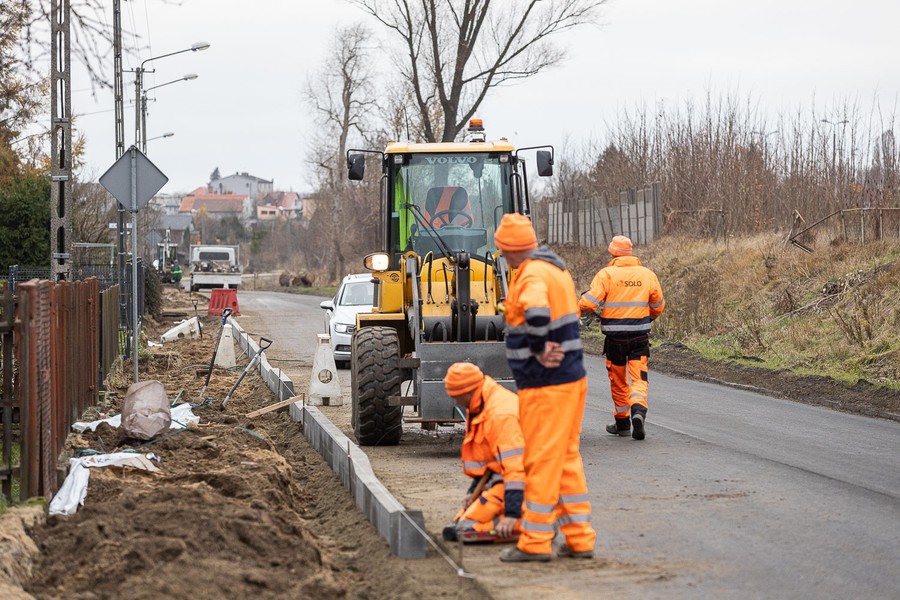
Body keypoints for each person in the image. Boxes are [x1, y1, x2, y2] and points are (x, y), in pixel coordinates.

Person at [493, 213, 596, 562]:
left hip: (546, 385)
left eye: (504, 251)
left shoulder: (532, 273)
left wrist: (537, 348)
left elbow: (537, 311)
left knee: (539, 460)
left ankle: (535, 542)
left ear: (511, 249)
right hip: (570, 379)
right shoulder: (556, 269)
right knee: (566, 458)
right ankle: (579, 538)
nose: (504, 257)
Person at [578, 235, 665, 441]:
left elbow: (589, 303)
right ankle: (638, 411)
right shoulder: (647, 274)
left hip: (615, 339)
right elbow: (658, 305)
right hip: (639, 338)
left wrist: (581, 306)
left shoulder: (606, 274)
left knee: (618, 381)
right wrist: (647, 316)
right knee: (639, 378)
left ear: (613, 253)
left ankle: (623, 423)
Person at [441, 362, 525, 544]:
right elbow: (489, 459)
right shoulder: (480, 403)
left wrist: (512, 513)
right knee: (464, 519)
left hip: (526, 480)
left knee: (467, 528)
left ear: (468, 392)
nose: (456, 402)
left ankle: (529, 523)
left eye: (456, 397)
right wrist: (473, 491)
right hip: (502, 477)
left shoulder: (501, 415)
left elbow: (516, 468)